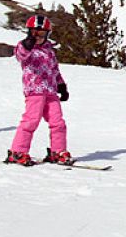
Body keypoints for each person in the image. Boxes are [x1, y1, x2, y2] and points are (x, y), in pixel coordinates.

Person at [4, 14, 74, 167]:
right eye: (35, 33)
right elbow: (20, 56)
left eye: (41, 34)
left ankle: (58, 151)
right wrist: (26, 45)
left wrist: (61, 86)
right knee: (31, 122)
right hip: (35, 91)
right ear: (29, 32)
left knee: (58, 123)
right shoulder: (25, 47)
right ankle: (18, 152)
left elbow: (55, 70)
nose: (38, 37)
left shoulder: (49, 51)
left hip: (50, 92)